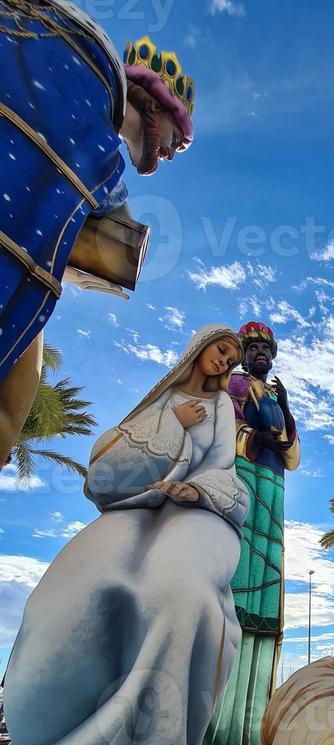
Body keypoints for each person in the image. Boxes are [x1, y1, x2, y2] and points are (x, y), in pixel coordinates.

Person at [0, 324, 248, 745]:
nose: (226, 361)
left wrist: (193, 490)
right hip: (138, 507)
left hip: (194, 506)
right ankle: (45, 737)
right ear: (200, 349)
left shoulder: (224, 410)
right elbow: (106, 470)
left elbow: (223, 466)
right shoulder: (163, 403)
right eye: (222, 350)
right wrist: (174, 429)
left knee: (177, 591)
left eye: (232, 358)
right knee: (76, 587)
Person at [0, 0, 196, 467]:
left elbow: (114, 245)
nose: (172, 151)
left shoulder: (101, 159)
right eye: (177, 135)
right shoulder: (89, 85)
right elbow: (120, 247)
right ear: (154, 101)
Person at [202, 321, 300, 745]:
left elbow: (292, 456)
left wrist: (285, 417)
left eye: (266, 347)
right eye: (253, 346)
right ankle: (211, 737)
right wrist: (251, 437)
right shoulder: (231, 386)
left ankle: (249, 734)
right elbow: (219, 434)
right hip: (243, 483)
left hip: (273, 492)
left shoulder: (274, 392)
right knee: (234, 595)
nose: (260, 352)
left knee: (265, 602)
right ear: (243, 352)